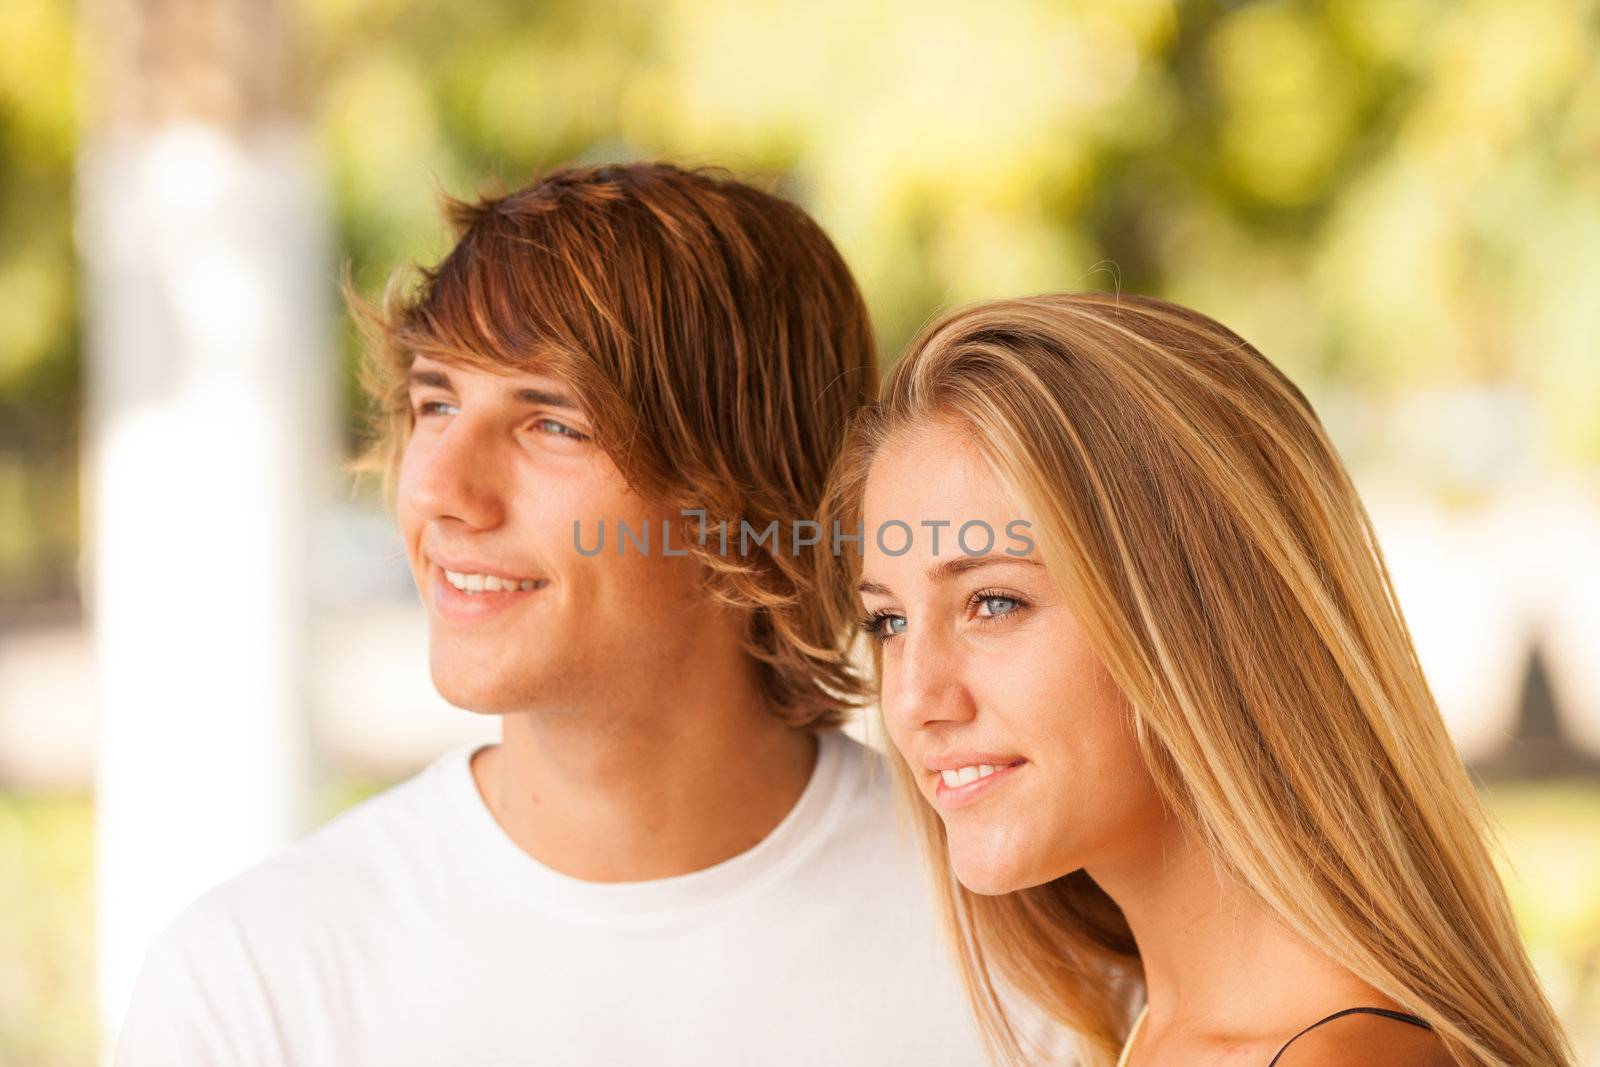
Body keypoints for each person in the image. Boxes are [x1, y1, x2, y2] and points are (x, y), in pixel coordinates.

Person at [113, 163, 996, 1065]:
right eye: (436, 403)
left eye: (554, 423)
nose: (439, 490)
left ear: (743, 502)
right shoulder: (247, 987)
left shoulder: (1022, 941)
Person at [822, 292, 1575, 1067]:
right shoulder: (1143, 1034)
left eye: (993, 601)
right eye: (888, 622)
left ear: (1195, 624)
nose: (913, 697)